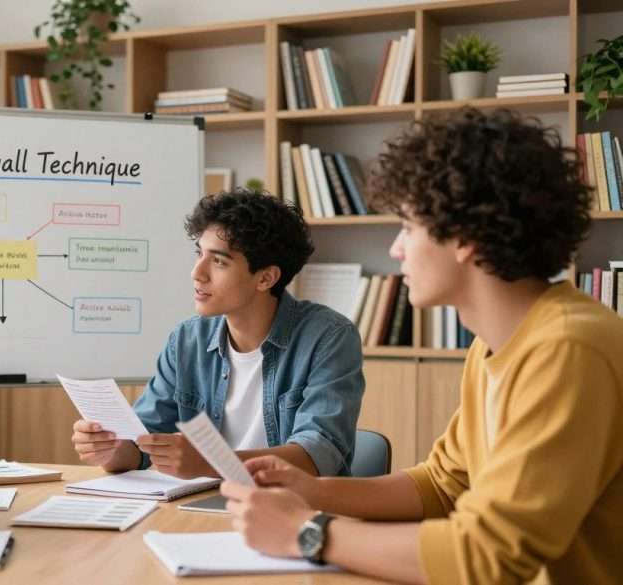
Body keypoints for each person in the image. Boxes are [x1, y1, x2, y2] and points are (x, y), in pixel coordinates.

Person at [221, 108, 623, 584]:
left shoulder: (568, 349)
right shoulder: (495, 346)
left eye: (408, 227)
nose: (396, 249)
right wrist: (313, 490)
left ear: (465, 237)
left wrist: (308, 532)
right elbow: (443, 484)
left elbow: (489, 555)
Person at [72, 189, 365, 478]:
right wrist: (110, 449)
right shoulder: (187, 340)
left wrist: (210, 462)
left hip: (292, 512)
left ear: (265, 278)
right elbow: (143, 447)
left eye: (219, 261)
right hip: (203, 509)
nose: (197, 272)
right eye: (200, 254)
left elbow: (316, 456)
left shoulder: (329, 337)